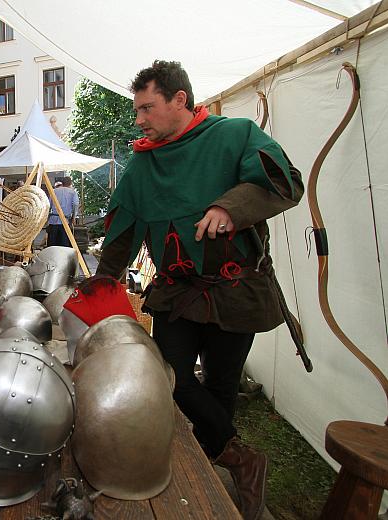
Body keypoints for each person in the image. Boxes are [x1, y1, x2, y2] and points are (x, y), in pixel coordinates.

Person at [96, 60, 303, 520]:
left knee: (223, 384)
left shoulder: (235, 136)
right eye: (138, 110)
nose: (140, 119)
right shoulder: (143, 163)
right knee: (167, 375)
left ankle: (215, 467)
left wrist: (232, 207)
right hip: (176, 293)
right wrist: (99, 282)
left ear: (180, 100)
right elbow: (122, 231)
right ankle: (242, 458)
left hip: (235, 290)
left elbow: (285, 180)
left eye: (148, 107)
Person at [47, 176, 79, 247]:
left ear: (62, 183)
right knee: (64, 245)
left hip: (53, 221)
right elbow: (75, 204)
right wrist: (73, 217)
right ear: (70, 183)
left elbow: (48, 205)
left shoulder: (54, 191)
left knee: (52, 245)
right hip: (65, 222)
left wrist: (47, 218)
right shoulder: (73, 192)